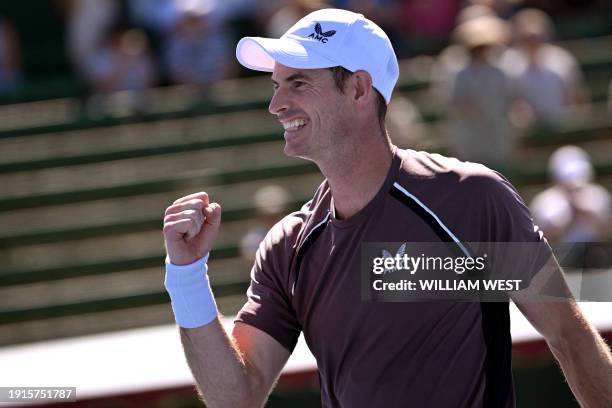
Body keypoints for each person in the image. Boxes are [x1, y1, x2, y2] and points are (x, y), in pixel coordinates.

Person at [162, 8, 612, 407]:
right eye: (277, 84)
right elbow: (237, 397)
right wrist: (186, 277)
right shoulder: (286, 247)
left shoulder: (472, 199)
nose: (276, 104)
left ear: (359, 88)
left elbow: (569, 337)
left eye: (297, 82)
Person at [530, 145, 611, 243]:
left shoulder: (599, 196)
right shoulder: (544, 203)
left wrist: (589, 215)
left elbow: (607, 233)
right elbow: (540, 239)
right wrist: (568, 218)